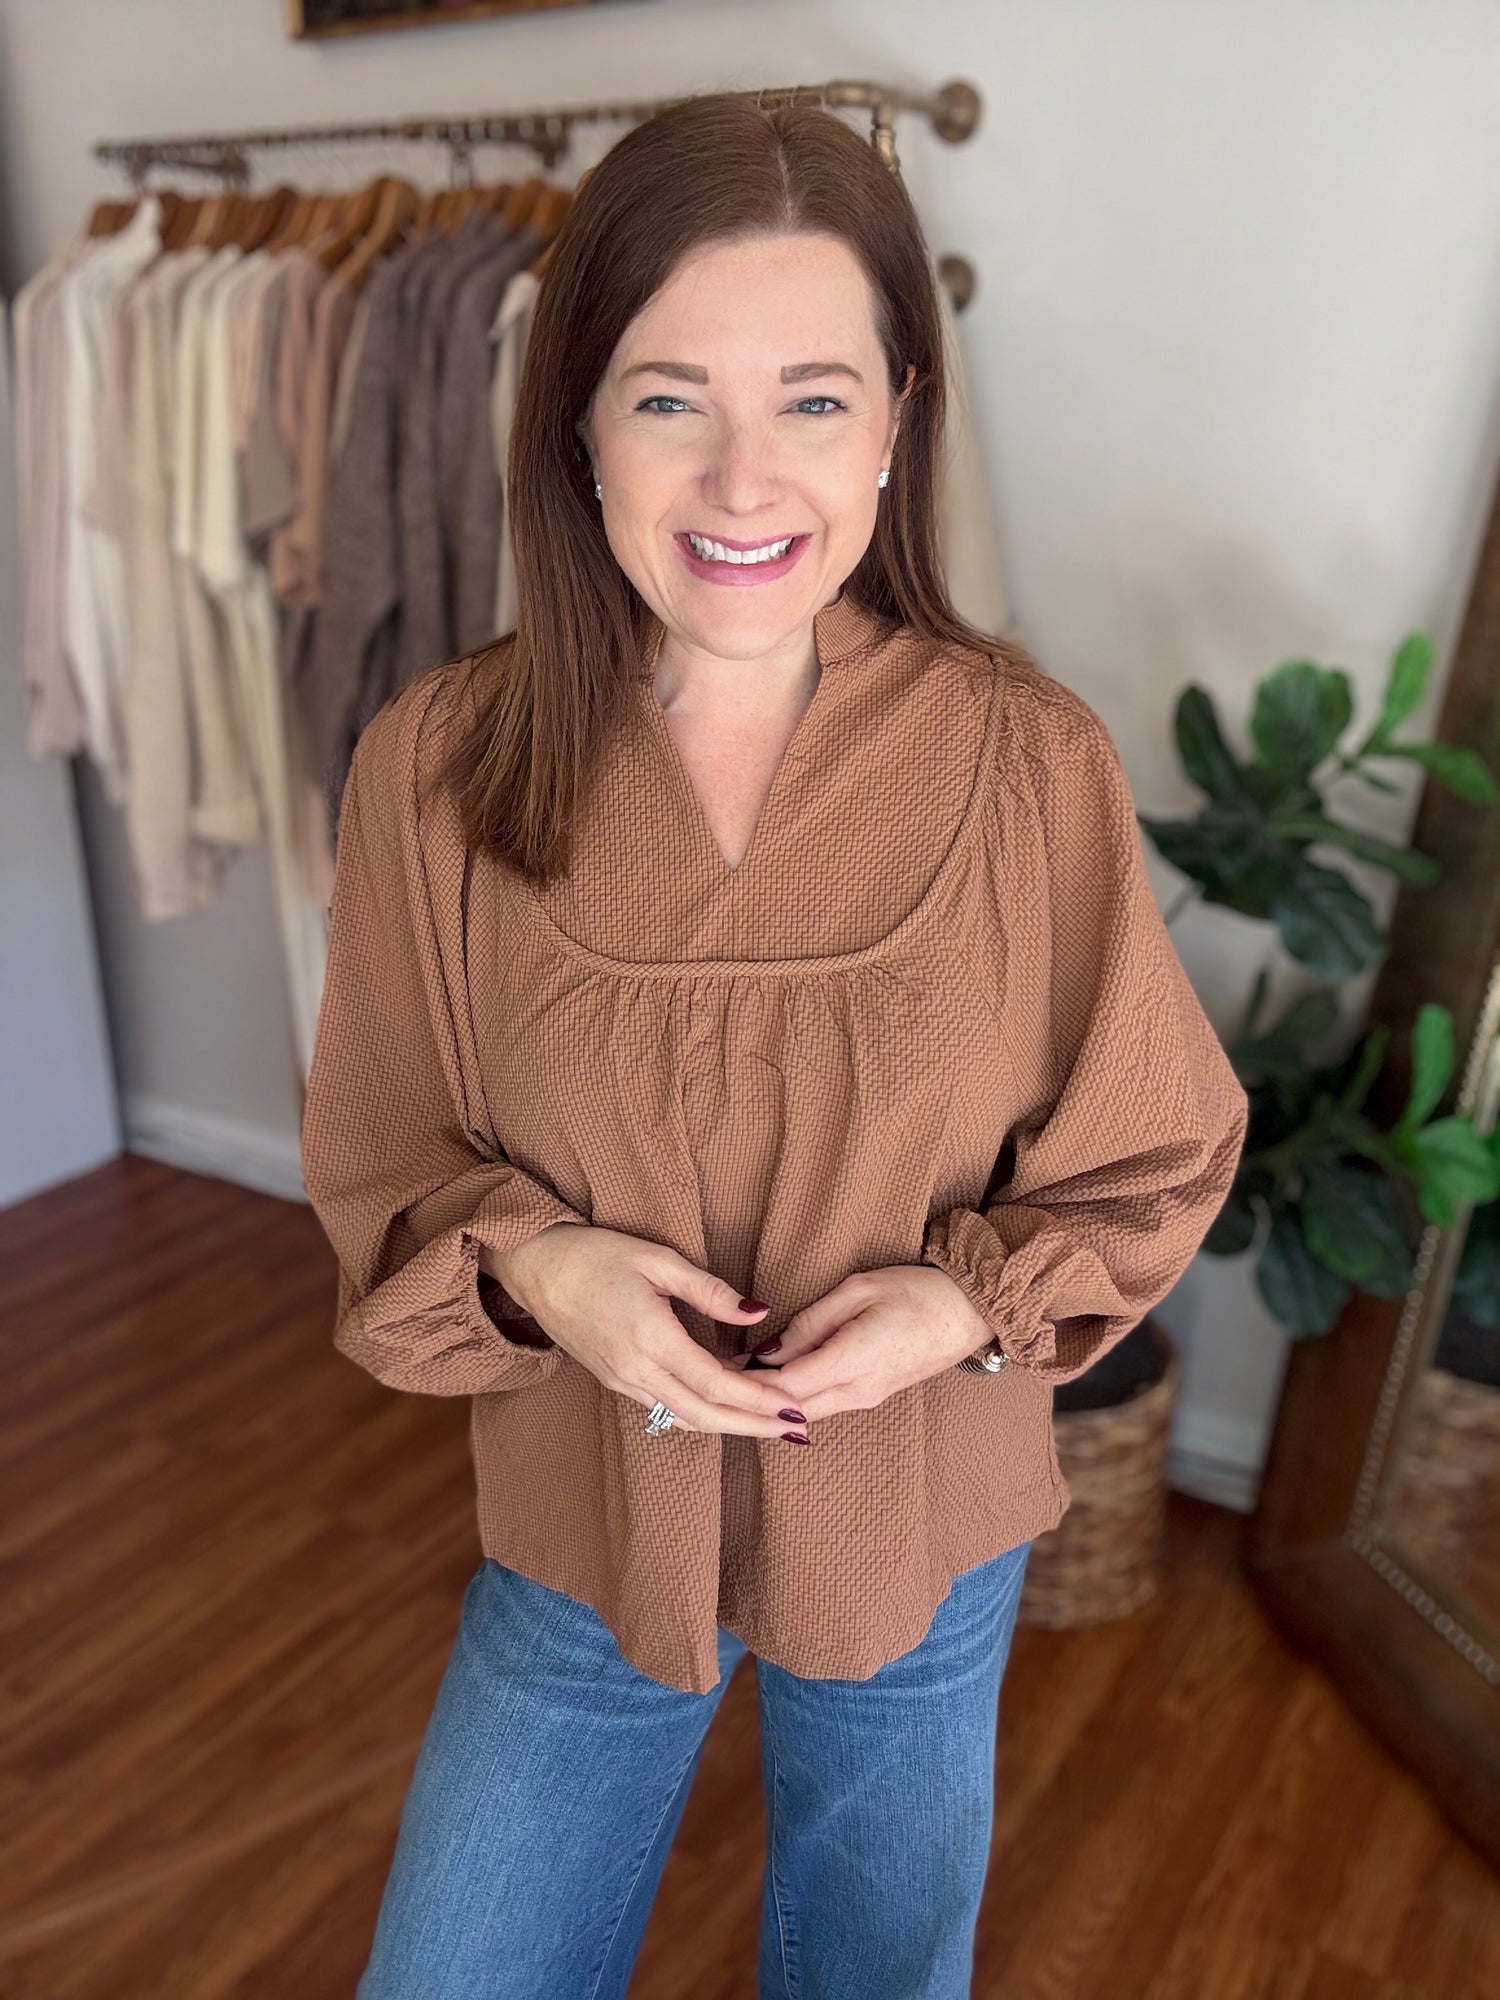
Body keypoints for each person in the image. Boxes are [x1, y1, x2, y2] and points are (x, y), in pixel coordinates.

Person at [300, 92, 1249, 2000]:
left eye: (814, 398)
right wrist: (544, 1268)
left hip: (919, 1523)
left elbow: (1150, 1148)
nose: (745, 480)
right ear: (577, 425)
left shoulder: (1026, 762)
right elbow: (386, 1158)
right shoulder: (438, 772)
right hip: (584, 1528)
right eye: (670, 398)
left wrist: (965, 1305)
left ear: (897, 422)